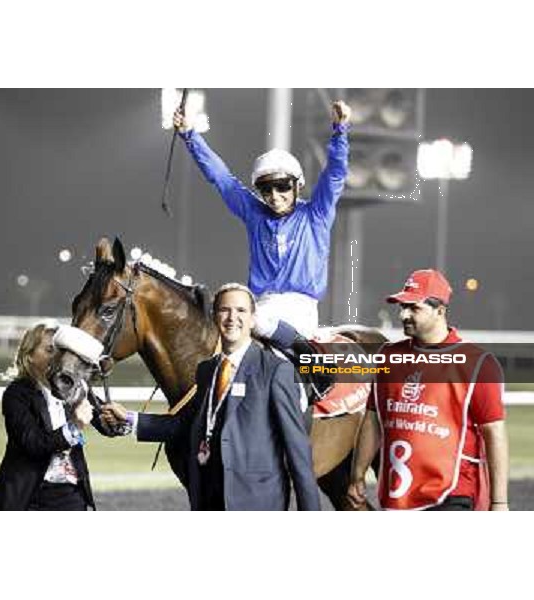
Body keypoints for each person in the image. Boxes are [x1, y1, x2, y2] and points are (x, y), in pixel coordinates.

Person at [102, 283, 321, 511]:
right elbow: (186, 425)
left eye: (240, 311)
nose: (231, 317)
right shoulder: (206, 371)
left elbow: (298, 453)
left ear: (253, 319)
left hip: (257, 503)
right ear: (214, 318)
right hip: (208, 500)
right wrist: (130, 419)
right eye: (224, 310)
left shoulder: (276, 371)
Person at [173, 99, 351, 359]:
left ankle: (313, 370)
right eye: (266, 189)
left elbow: (335, 174)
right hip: (259, 305)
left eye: (282, 186)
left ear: (297, 185)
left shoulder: (316, 213)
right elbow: (221, 178)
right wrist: (190, 135)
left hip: (298, 309)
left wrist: (340, 131)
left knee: (247, 322)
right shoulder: (254, 214)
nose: (275, 195)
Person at [347, 269, 509, 511]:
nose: (404, 315)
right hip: (398, 496)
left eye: (414, 308)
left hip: (453, 495)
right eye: (402, 307)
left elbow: (494, 433)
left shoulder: (478, 364)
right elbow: (373, 418)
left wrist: (499, 502)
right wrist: (357, 474)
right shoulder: (389, 356)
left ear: (440, 311)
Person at [0, 322, 108, 510]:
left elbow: (108, 424)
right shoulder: (17, 394)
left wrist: (121, 419)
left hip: (71, 493)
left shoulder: (74, 387)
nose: (57, 356)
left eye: (59, 351)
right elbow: (34, 444)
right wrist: (74, 426)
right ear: (30, 356)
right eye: (49, 349)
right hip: (30, 496)